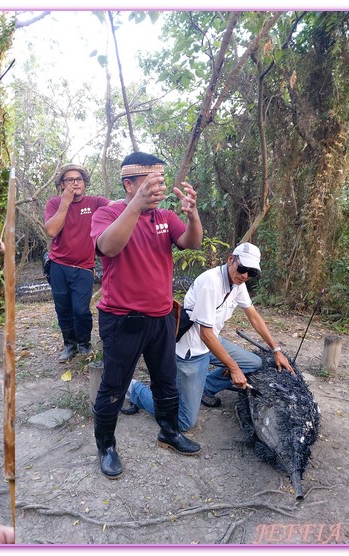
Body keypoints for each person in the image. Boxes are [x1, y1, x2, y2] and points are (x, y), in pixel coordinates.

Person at [88, 151, 203, 478]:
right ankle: (106, 445)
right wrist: (135, 206)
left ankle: (169, 430)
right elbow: (108, 247)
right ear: (129, 183)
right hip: (122, 319)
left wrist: (192, 214)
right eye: (150, 183)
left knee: (166, 381)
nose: (159, 189)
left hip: (162, 318)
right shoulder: (107, 213)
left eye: (161, 182)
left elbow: (191, 242)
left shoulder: (164, 217)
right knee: (114, 385)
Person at [125, 242, 294, 432]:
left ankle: (204, 387)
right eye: (242, 268)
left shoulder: (237, 283)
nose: (245, 275)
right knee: (183, 422)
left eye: (251, 273)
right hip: (192, 350)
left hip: (211, 342)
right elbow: (205, 335)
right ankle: (134, 390)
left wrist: (276, 349)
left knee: (253, 363)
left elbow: (253, 316)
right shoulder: (211, 283)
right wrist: (233, 367)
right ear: (231, 259)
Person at [44, 164, 110, 362]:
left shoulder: (95, 202)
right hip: (58, 266)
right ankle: (69, 345)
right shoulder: (54, 203)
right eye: (70, 180)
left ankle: (84, 343)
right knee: (62, 308)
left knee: (80, 310)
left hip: (83, 267)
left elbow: (119, 206)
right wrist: (65, 202)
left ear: (84, 183)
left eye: (78, 179)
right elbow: (51, 231)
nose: (75, 183)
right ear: (62, 184)